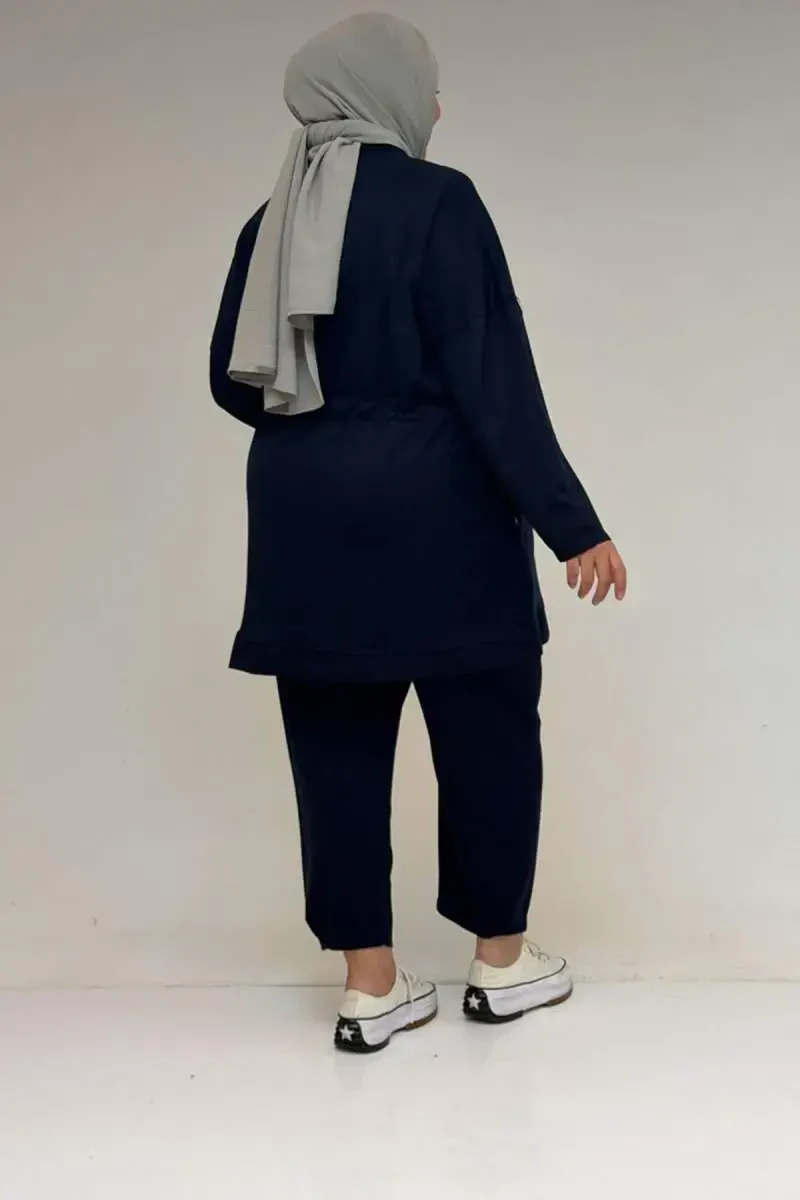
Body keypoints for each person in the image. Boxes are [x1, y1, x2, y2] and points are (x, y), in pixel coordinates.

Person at [210, 13, 627, 1054]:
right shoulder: (441, 202)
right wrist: (570, 523)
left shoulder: (270, 220)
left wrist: (327, 432)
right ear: (383, 91)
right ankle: (501, 962)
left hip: (304, 518)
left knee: (334, 743)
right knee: (487, 730)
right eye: (426, 84)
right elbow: (492, 377)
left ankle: (369, 985)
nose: (436, 104)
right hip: (440, 512)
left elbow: (232, 379)